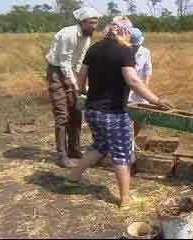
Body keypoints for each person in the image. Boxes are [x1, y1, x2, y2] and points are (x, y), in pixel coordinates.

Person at [68, 17, 172, 207]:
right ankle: (124, 199)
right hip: (114, 113)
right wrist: (156, 100)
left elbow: (81, 74)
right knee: (121, 154)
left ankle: (74, 176)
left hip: (92, 110)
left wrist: (83, 90)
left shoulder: (94, 48)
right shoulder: (124, 51)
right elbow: (133, 81)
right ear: (125, 33)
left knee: (100, 146)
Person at [46, 7, 100, 168]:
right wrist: (76, 85)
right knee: (62, 114)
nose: (94, 26)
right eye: (91, 22)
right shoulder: (68, 34)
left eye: (96, 22)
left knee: (76, 111)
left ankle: (74, 150)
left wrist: (82, 84)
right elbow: (64, 63)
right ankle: (61, 156)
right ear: (81, 22)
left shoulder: (86, 37)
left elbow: (78, 62)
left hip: (69, 71)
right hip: (56, 72)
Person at [128, 28, 153, 167]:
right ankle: (129, 147)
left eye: (137, 44)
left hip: (140, 89)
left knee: (140, 118)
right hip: (126, 89)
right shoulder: (123, 51)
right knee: (128, 118)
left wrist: (146, 85)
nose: (136, 47)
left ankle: (133, 140)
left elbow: (148, 69)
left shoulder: (145, 52)